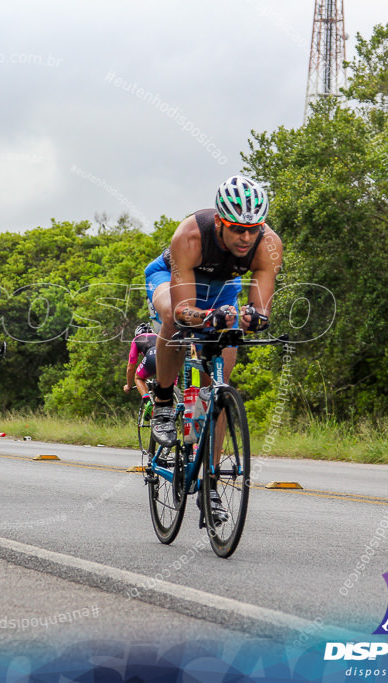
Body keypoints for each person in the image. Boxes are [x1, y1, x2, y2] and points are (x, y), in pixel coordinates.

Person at [147, 175, 283, 520]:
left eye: (254, 229)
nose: (246, 237)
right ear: (220, 222)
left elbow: (260, 310)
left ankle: (209, 485)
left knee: (217, 393)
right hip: (173, 280)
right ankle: (163, 399)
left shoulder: (268, 245)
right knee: (173, 320)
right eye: (238, 229)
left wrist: (253, 318)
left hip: (223, 288)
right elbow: (183, 309)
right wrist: (208, 317)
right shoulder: (190, 236)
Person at [123, 322, 158, 400]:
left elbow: (130, 367)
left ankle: (147, 399)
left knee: (138, 378)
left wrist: (129, 385)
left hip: (152, 354)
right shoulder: (158, 336)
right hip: (169, 358)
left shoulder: (137, 339)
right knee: (167, 389)